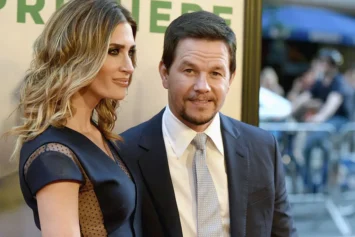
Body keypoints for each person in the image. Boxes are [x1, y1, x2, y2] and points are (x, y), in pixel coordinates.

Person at [118, 11, 297, 237]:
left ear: (230, 79)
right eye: (189, 70)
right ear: (165, 73)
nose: (202, 86)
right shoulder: (125, 153)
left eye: (215, 73)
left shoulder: (263, 148)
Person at [8, 0, 140, 236]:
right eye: (114, 51)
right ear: (79, 55)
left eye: (130, 52)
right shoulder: (53, 154)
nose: (129, 66)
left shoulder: (95, 133)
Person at [292, 48, 352, 192]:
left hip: (339, 122)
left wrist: (319, 118)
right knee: (311, 147)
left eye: (324, 62)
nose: (321, 65)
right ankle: (310, 185)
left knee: (318, 145)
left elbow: (333, 103)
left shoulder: (338, 82)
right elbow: (305, 96)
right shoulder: (320, 82)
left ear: (331, 65)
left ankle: (322, 185)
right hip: (326, 124)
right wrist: (288, 109)